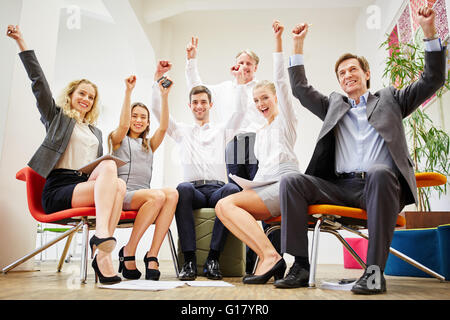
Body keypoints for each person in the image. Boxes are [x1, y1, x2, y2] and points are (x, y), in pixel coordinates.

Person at [275, 6, 445, 294]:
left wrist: (428, 30)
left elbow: (432, 79)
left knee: (379, 171)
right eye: (342, 73)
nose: (347, 75)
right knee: (291, 180)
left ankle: (374, 272)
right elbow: (301, 89)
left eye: (353, 69)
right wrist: (298, 45)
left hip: (379, 187)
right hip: (340, 186)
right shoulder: (333, 105)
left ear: (366, 74)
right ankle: (300, 266)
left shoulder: (391, 99)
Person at [7, 25, 126, 285]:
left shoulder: (95, 131)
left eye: (91, 97)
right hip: (59, 189)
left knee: (116, 179)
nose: (86, 99)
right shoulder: (56, 118)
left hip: (82, 184)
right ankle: (102, 245)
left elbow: (95, 170)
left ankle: (102, 243)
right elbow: (38, 83)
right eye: (82, 93)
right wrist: (21, 42)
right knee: (112, 175)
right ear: (70, 95)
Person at [186, 37, 281, 275]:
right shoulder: (224, 89)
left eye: (249, 63)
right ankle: (243, 258)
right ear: (234, 65)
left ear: (255, 67)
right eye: (240, 62)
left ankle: (265, 257)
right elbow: (196, 88)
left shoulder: (262, 89)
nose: (244, 67)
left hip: (259, 144)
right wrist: (191, 60)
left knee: (262, 201)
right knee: (237, 200)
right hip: (234, 145)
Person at [215, 20, 301, 284]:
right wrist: (249, 186)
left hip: (286, 182)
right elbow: (239, 114)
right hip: (266, 183)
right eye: (257, 100)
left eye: (265, 98)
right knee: (224, 205)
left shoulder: (286, 120)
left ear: (275, 99)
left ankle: (269, 257)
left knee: (226, 204)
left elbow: (281, 81)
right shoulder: (261, 132)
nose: (261, 103)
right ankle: (269, 256)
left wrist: (278, 41)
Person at [151, 81, 247, 281]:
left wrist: (239, 84)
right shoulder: (182, 131)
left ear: (210, 105)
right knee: (182, 188)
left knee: (232, 189)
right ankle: (189, 261)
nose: (199, 106)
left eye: (203, 102)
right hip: (194, 191)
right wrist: (161, 91)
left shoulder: (222, 130)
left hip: (217, 190)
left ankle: (213, 259)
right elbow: (159, 114)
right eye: (195, 102)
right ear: (190, 106)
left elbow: (239, 113)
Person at [108, 63, 178, 281]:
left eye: (143, 117)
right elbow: (121, 126)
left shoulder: (149, 145)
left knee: (173, 194)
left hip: (146, 198)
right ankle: (129, 249)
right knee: (158, 195)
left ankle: (152, 254)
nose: (138, 120)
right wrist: (128, 92)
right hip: (123, 195)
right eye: (134, 116)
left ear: (147, 122)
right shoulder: (118, 140)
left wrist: (164, 96)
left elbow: (164, 127)